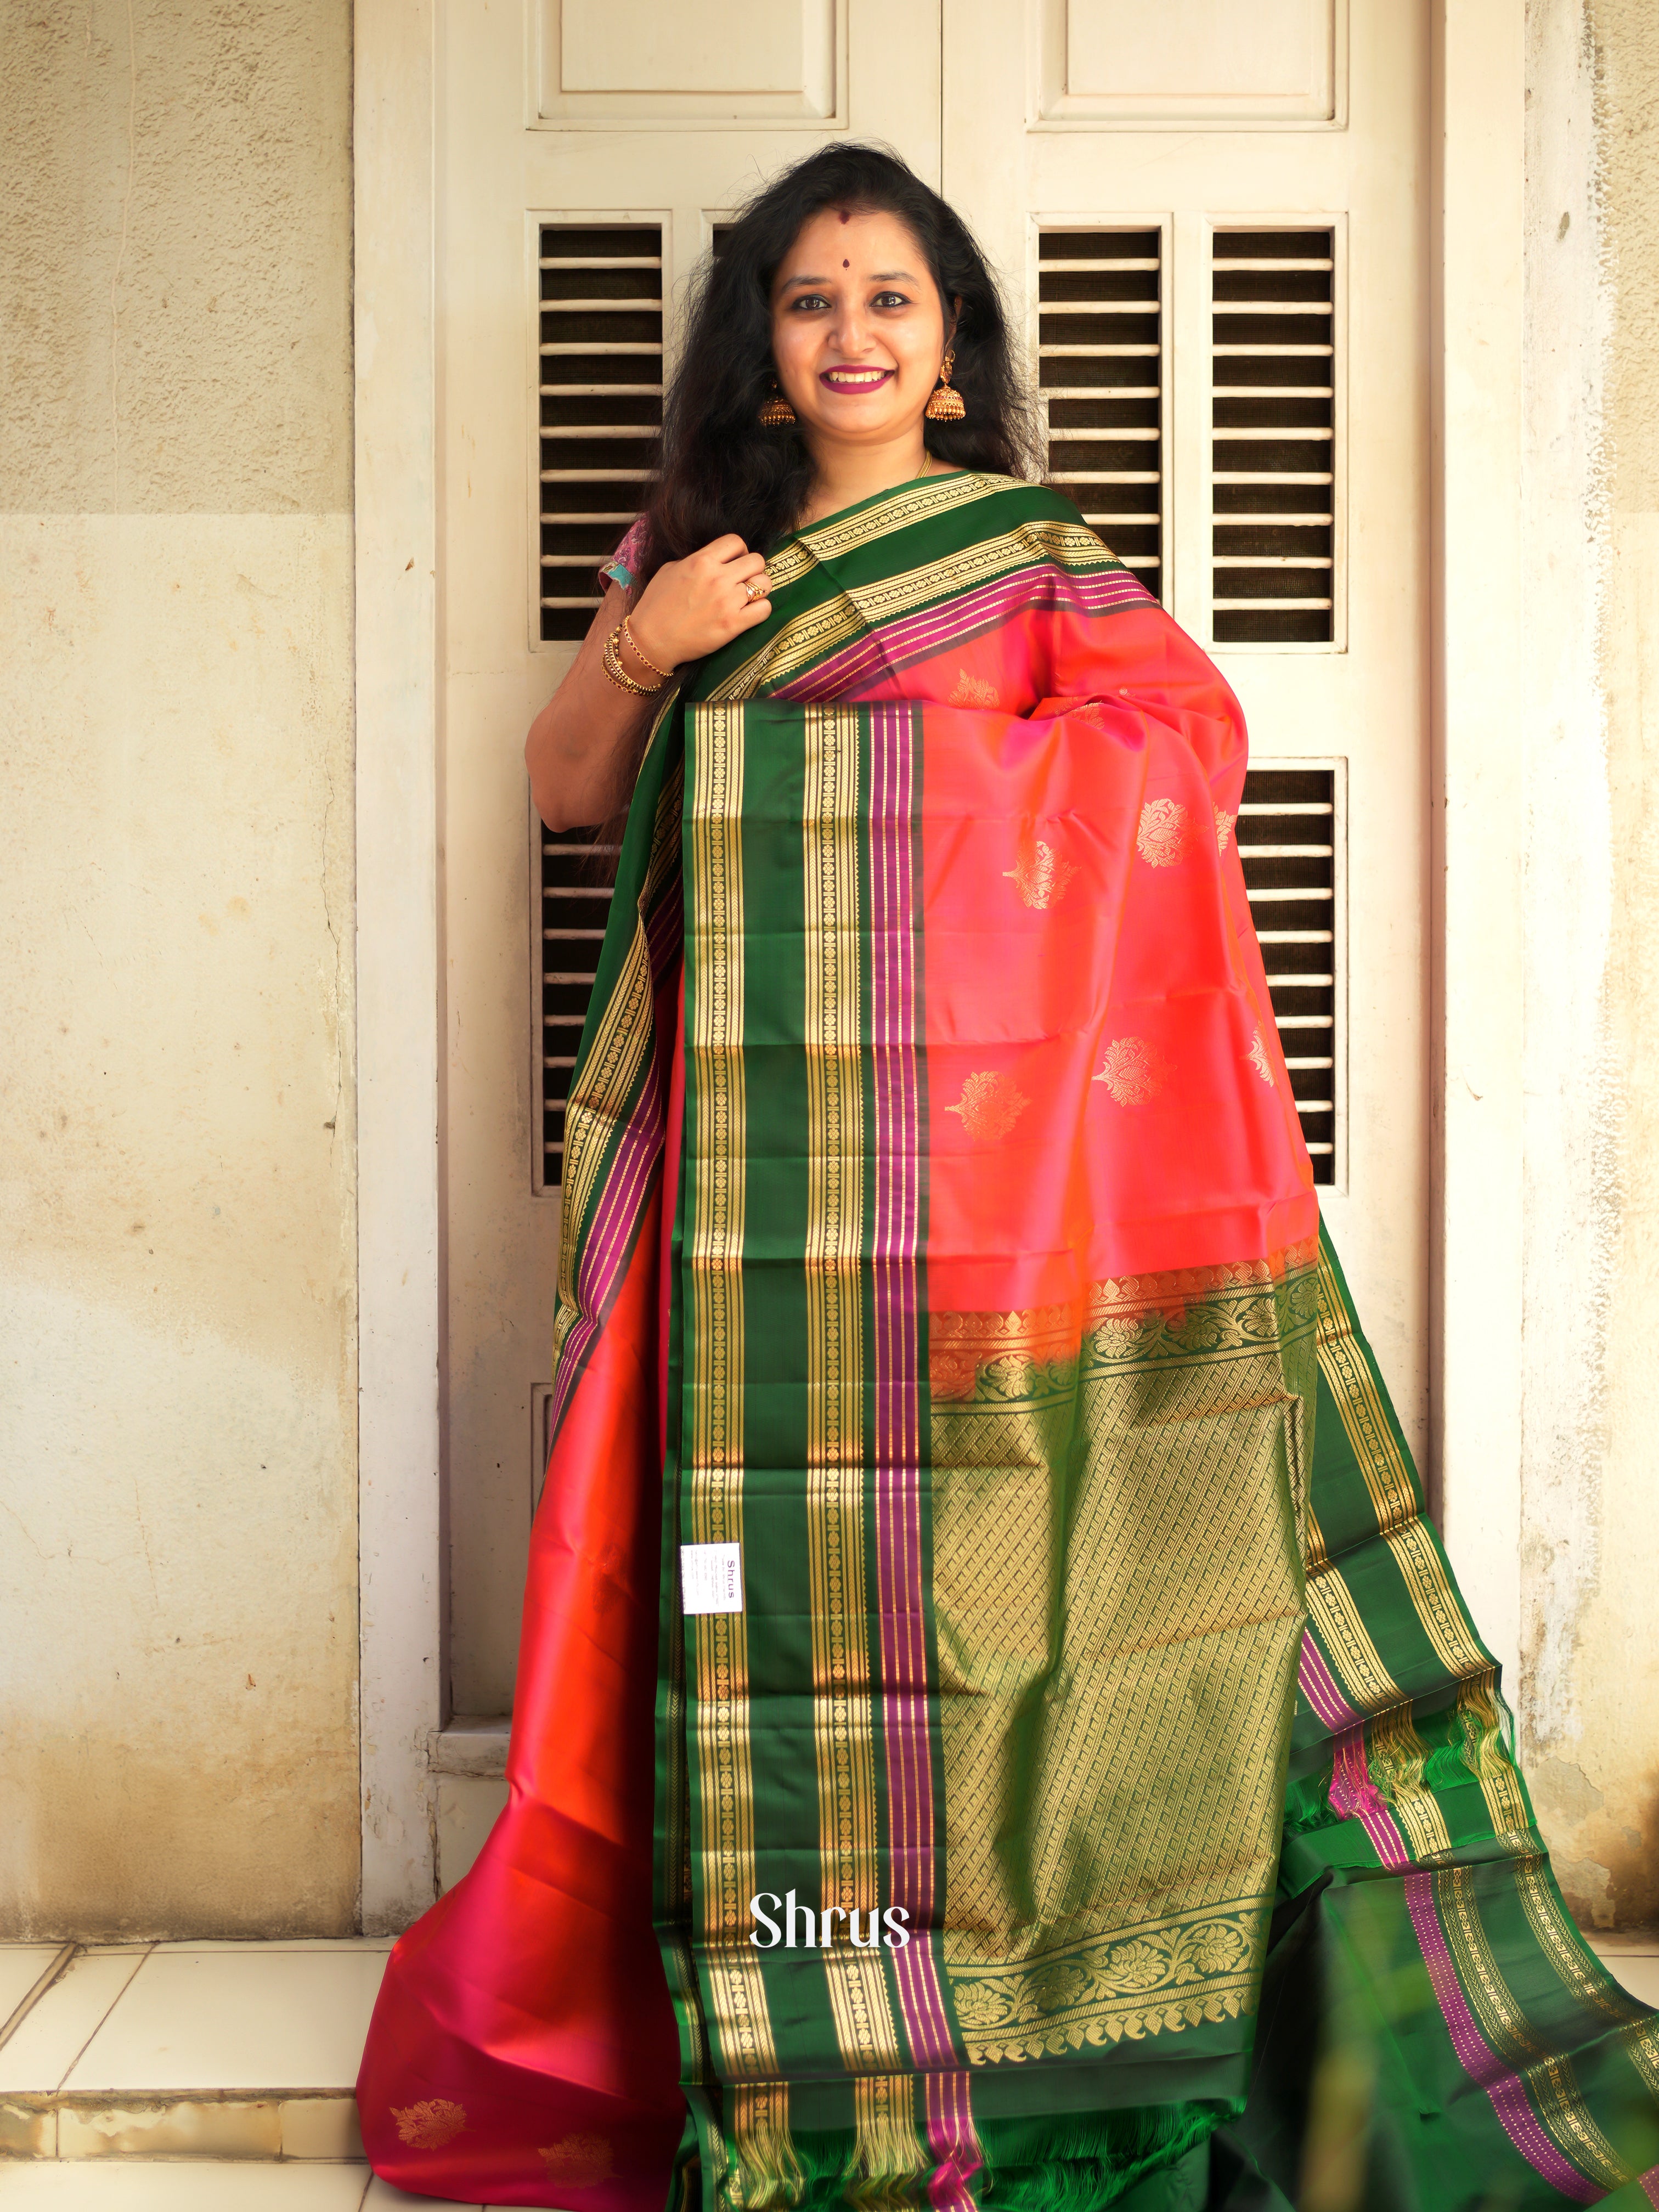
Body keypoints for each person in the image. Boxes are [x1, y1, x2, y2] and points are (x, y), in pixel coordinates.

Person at [357, 144, 1659, 2212]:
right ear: (764, 354)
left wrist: (889, 805)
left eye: (892, 297)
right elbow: (567, 792)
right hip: (756, 1222)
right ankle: (767, 1999)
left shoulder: (1043, 568)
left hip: (1005, 1231)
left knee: (997, 1602)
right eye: (809, 299)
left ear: (950, 355)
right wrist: (649, 643)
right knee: (742, 1610)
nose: (851, 332)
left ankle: (1029, 2005)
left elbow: (1178, 768)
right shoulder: (693, 555)